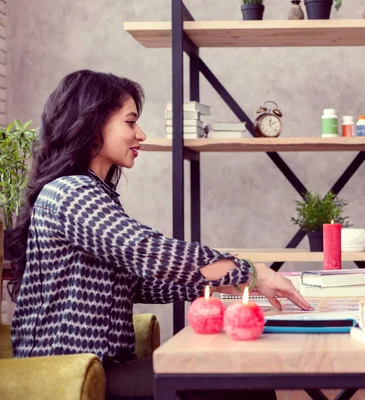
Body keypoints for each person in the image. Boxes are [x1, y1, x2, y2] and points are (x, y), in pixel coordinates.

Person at [8, 69, 312, 400]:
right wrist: (247, 273)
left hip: (98, 368)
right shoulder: (70, 192)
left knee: (237, 372)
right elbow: (148, 252)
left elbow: (138, 280)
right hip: (71, 376)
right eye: (130, 122)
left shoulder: (90, 192)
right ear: (93, 124)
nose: (141, 134)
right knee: (236, 378)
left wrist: (220, 282)